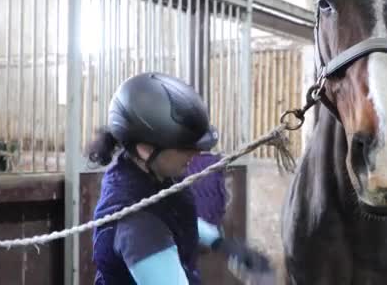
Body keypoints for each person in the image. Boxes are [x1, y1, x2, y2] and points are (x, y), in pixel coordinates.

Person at [88, 72, 272, 285]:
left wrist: (220, 242)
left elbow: (167, 212)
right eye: (185, 148)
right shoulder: (140, 227)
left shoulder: (146, 174)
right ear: (146, 149)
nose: (195, 155)